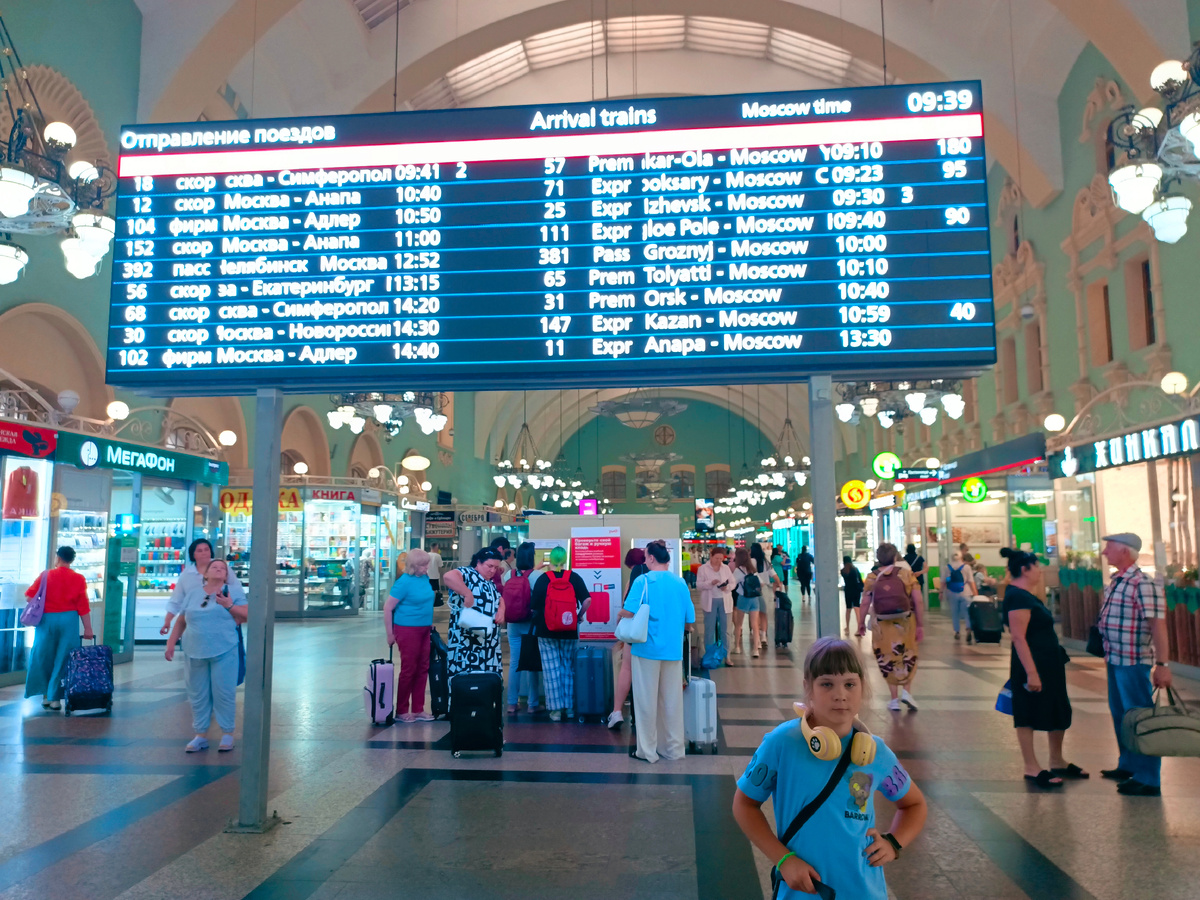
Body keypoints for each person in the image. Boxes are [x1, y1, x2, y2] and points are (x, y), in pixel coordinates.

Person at [732, 638, 928, 899]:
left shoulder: (875, 752)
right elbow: (744, 805)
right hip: (801, 892)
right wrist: (784, 860)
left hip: (864, 891)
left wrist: (893, 843)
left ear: (862, 687)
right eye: (827, 684)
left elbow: (914, 804)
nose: (840, 695)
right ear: (808, 688)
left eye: (850, 684)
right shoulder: (783, 743)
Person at [998, 547, 1086, 788]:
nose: (1040, 571)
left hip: (1049, 664)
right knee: (1027, 712)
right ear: (1025, 569)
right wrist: (1031, 673)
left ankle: (1057, 759)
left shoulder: (1027, 595)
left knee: (1057, 709)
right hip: (1032, 665)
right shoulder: (1017, 597)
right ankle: (1031, 766)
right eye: (1036, 566)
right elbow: (1018, 637)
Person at [1096, 532, 1171, 797]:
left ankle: (1148, 777)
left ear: (1125, 552)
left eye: (1109, 548)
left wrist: (1162, 664)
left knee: (1139, 718)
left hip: (1134, 661)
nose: (1104, 552)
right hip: (1114, 658)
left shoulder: (1143, 584)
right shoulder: (1117, 581)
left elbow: (1158, 626)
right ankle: (1128, 764)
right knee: (1121, 714)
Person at [619, 541, 695, 762]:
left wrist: (619, 614)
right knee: (671, 702)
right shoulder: (680, 582)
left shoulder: (643, 581)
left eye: (645, 556)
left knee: (646, 702)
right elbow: (689, 619)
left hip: (646, 650)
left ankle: (647, 751)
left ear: (651, 558)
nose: (645, 560)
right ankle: (673, 749)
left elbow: (629, 611)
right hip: (673, 651)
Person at [164, 559, 248, 752]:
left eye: (222, 568)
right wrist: (171, 642)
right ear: (206, 574)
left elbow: (247, 614)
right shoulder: (193, 593)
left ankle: (227, 733)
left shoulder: (233, 592)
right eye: (214, 567)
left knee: (223, 692)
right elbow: (182, 620)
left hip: (224, 648)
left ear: (226, 575)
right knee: (197, 694)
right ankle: (200, 734)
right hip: (194, 650)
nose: (218, 569)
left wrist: (229, 606)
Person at [24, 546, 95, 711]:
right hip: (69, 620)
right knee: (64, 658)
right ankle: (55, 697)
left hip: (47, 619)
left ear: (58, 558)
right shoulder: (78, 578)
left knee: (43, 655)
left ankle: (45, 695)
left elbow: (28, 596)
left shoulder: (46, 575)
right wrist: (88, 628)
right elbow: (83, 606)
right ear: (71, 560)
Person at [530, 546, 590, 721]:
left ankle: (556, 711)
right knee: (568, 667)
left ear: (550, 560)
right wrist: (579, 616)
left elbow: (534, 606)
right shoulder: (574, 577)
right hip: (569, 628)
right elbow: (587, 599)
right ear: (565, 560)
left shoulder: (543, 579)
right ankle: (569, 708)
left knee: (551, 669)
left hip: (546, 630)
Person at [861, 543, 924, 711]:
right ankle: (907, 692)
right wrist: (920, 624)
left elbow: (865, 602)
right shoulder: (906, 574)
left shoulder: (872, 577)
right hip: (905, 622)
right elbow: (918, 600)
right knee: (907, 654)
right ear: (895, 557)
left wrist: (860, 623)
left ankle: (894, 699)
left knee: (887, 656)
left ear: (878, 558)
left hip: (882, 624)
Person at [384, 548, 435, 723]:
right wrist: (390, 634)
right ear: (413, 566)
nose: (426, 568)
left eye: (427, 564)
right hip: (407, 629)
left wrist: (428, 621)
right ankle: (402, 709)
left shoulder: (425, 578)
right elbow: (388, 608)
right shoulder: (404, 582)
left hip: (424, 628)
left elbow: (425, 602)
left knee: (423, 668)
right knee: (409, 669)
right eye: (423, 565)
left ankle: (418, 708)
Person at [441, 548, 506, 679]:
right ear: (478, 562)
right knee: (467, 682)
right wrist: (467, 593)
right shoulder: (468, 573)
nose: (492, 570)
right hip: (467, 645)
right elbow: (448, 576)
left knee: (487, 682)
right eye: (489, 566)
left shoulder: (489, 581)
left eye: (496, 567)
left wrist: (501, 610)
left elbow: (499, 598)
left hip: (489, 647)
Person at [161, 538, 245, 636]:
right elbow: (176, 600)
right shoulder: (187, 575)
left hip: (223, 623)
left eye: (206, 549)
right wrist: (168, 621)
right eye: (199, 551)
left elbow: (238, 592)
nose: (204, 553)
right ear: (193, 554)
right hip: (196, 627)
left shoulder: (222, 567)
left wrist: (238, 616)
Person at [607, 547, 649, 730]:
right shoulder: (661, 576)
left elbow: (629, 606)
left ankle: (617, 711)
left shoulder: (637, 572)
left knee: (626, 668)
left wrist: (620, 615)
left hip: (635, 630)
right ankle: (641, 716)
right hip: (653, 631)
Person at [504, 541, 542, 715]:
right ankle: (533, 704)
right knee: (532, 663)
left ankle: (512, 703)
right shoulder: (537, 576)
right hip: (530, 623)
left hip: (512, 623)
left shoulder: (508, 575)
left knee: (515, 663)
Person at [696, 545, 735, 663]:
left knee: (726, 630)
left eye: (721, 558)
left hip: (724, 601)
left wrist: (726, 587)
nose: (719, 561)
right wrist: (710, 583)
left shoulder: (726, 568)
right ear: (711, 556)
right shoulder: (703, 568)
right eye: (716, 558)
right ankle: (709, 655)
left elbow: (733, 583)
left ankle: (727, 655)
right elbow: (699, 585)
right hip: (710, 601)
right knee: (709, 629)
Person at [731, 547, 763, 658]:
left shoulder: (738, 570)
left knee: (738, 624)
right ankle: (755, 650)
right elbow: (761, 583)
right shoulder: (753, 569)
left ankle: (737, 647)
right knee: (755, 625)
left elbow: (732, 584)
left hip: (743, 598)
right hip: (755, 599)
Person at [943, 551, 976, 642]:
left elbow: (944, 581)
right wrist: (975, 593)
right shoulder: (967, 567)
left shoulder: (947, 567)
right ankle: (968, 628)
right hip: (965, 592)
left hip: (952, 593)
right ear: (961, 557)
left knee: (955, 613)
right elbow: (971, 581)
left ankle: (957, 631)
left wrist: (941, 592)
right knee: (967, 612)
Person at [841, 555, 864, 636]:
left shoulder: (843, 571)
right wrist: (861, 588)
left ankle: (847, 628)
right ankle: (859, 628)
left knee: (848, 609)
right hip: (856, 591)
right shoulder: (855, 569)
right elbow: (859, 580)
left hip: (848, 591)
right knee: (857, 609)